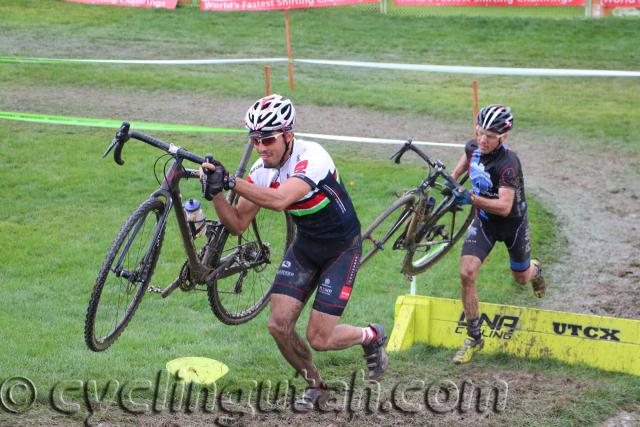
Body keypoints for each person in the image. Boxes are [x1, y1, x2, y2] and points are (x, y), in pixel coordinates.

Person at [199, 94, 388, 409]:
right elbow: (237, 224)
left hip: (341, 249)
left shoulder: (312, 156)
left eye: (268, 139)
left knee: (320, 338)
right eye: (255, 139)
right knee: (278, 326)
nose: (261, 147)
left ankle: (371, 335)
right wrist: (216, 193)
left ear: (288, 135)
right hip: (307, 246)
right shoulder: (262, 170)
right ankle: (316, 384)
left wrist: (231, 181)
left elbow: (279, 201)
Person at [449, 104, 546, 365]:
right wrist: (450, 183)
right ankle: (474, 336)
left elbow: (504, 207)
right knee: (466, 272)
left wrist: (470, 198)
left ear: (503, 137)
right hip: (485, 223)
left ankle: (535, 271)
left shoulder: (508, 163)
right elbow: (457, 172)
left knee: (521, 278)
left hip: (512, 224)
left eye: (490, 136)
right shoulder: (473, 148)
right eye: (480, 132)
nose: (483, 140)